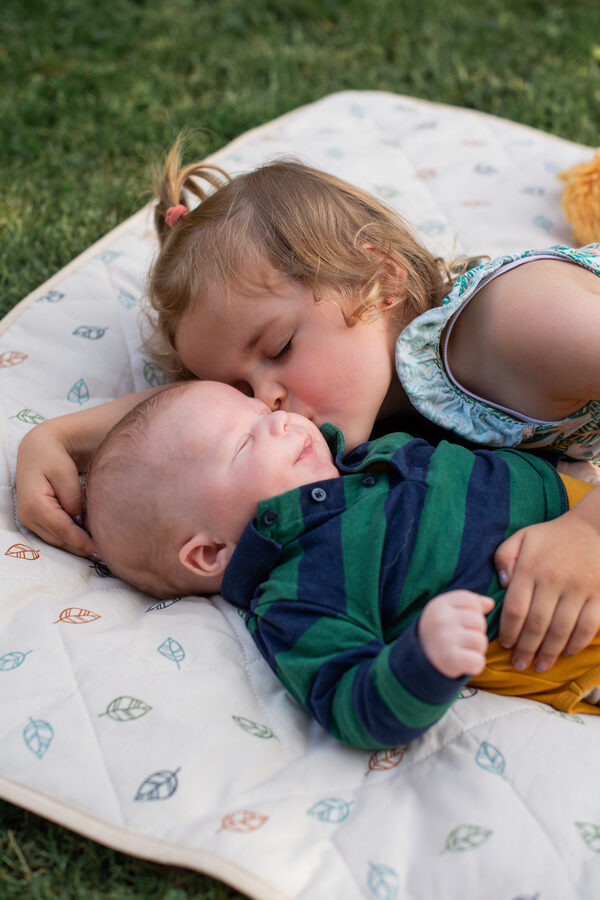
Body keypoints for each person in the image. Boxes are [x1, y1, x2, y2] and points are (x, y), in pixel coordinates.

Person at [16, 143, 600, 676]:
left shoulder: (517, 328)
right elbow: (190, 422)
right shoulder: (355, 384)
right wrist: (60, 437)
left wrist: (587, 533)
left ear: (380, 276)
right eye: (240, 391)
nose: (265, 404)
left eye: (278, 350)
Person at [84, 380, 600, 751]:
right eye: (246, 440)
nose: (279, 419)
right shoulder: (297, 591)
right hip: (566, 623)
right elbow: (350, 700)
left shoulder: (359, 457)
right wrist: (422, 661)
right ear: (210, 553)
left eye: (259, 411)